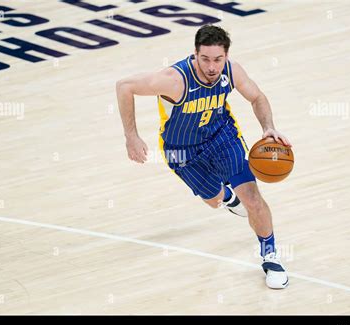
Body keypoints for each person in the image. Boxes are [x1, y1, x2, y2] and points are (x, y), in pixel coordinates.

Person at [116, 24, 292, 289]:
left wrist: (268, 127)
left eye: (218, 60)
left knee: (253, 197)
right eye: (205, 59)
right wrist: (131, 135)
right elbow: (124, 86)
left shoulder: (231, 71)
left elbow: (257, 97)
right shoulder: (175, 80)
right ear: (195, 54)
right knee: (213, 200)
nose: (212, 67)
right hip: (181, 149)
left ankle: (270, 256)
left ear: (226, 56)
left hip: (222, 137)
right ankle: (228, 197)